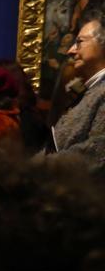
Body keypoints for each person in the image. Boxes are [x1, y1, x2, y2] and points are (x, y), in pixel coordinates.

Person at [49, 10, 105, 176]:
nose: (71, 50)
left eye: (79, 42)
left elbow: (96, 151)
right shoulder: (92, 89)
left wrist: (37, 168)